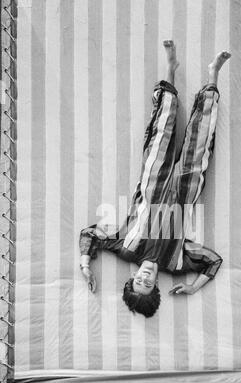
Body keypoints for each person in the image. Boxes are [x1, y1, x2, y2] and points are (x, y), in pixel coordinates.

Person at [80, 40, 231, 318]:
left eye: (139, 282)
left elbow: (90, 235)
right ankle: (213, 75)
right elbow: (212, 262)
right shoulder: (175, 263)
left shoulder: (125, 247)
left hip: (153, 178)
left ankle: (171, 70)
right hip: (187, 188)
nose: (145, 279)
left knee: (162, 127)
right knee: (201, 136)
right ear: (156, 286)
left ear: (133, 277)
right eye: (149, 285)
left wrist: (86, 266)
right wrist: (194, 287)